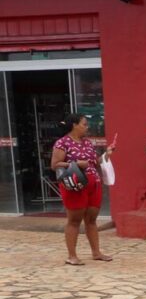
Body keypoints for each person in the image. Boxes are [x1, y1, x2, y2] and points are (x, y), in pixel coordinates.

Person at [51, 113, 115, 265]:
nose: (87, 127)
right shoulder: (62, 143)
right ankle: (72, 256)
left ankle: (96, 252)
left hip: (93, 184)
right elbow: (55, 165)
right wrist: (75, 164)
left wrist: (107, 154)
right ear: (74, 125)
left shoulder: (87, 142)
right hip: (75, 185)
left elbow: (95, 162)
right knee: (74, 220)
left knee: (91, 220)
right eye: (84, 124)